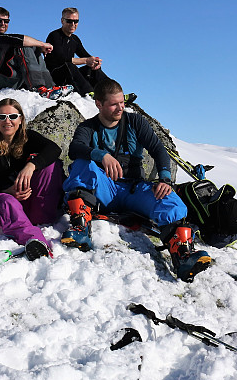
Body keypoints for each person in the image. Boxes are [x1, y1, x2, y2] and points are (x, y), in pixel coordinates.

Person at [62, 79, 211, 281]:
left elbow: (158, 150)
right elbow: (75, 149)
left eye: (122, 102)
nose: (120, 107)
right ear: (99, 104)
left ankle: (183, 255)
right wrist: (101, 155)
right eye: (114, 104)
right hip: (105, 189)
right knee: (81, 166)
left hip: (134, 188)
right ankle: (80, 227)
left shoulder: (135, 122)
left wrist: (165, 179)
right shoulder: (88, 127)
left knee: (170, 199)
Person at [0, 98, 64, 260]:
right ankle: (35, 241)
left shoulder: (27, 137)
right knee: (8, 201)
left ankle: (41, 215)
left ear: (21, 119)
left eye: (12, 116)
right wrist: (9, 191)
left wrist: (31, 166)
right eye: (2, 117)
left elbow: (54, 149)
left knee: (51, 166)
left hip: (24, 202)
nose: (7, 121)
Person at [0, 6, 65, 94]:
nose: (3, 24)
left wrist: (39, 48)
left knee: (34, 48)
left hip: (2, 76)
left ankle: (49, 87)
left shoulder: (2, 39)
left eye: (6, 21)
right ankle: (39, 87)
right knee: (22, 45)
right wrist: (41, 44)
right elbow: (15, 39)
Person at [44, 7, 111, 95]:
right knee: (69, 65)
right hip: (54, 76)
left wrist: (95, 62)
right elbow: (61, 58)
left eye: (76, 21)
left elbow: (85, 55)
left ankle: (113, 92)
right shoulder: (54, 36)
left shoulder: (75, 39)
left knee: (91, 69)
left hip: (70, 75)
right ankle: (90, 93)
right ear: (62, 21)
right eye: (69, 21)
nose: (73, 24)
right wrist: (86, 61)